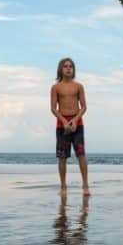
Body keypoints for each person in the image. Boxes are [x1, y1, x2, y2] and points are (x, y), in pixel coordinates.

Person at [51, 57, 89, 196]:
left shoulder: (78, 86)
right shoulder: (55, 87)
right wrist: (64, 121)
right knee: (62, 156)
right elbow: (53, 108)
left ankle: (85, 185)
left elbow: (84, 107)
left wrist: (75, 119)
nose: (68, 68)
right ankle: (63, 186)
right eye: (65, 66)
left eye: (70, 66)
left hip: (77, 124)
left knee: (81, 154)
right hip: (62, 125)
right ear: (61, 69)